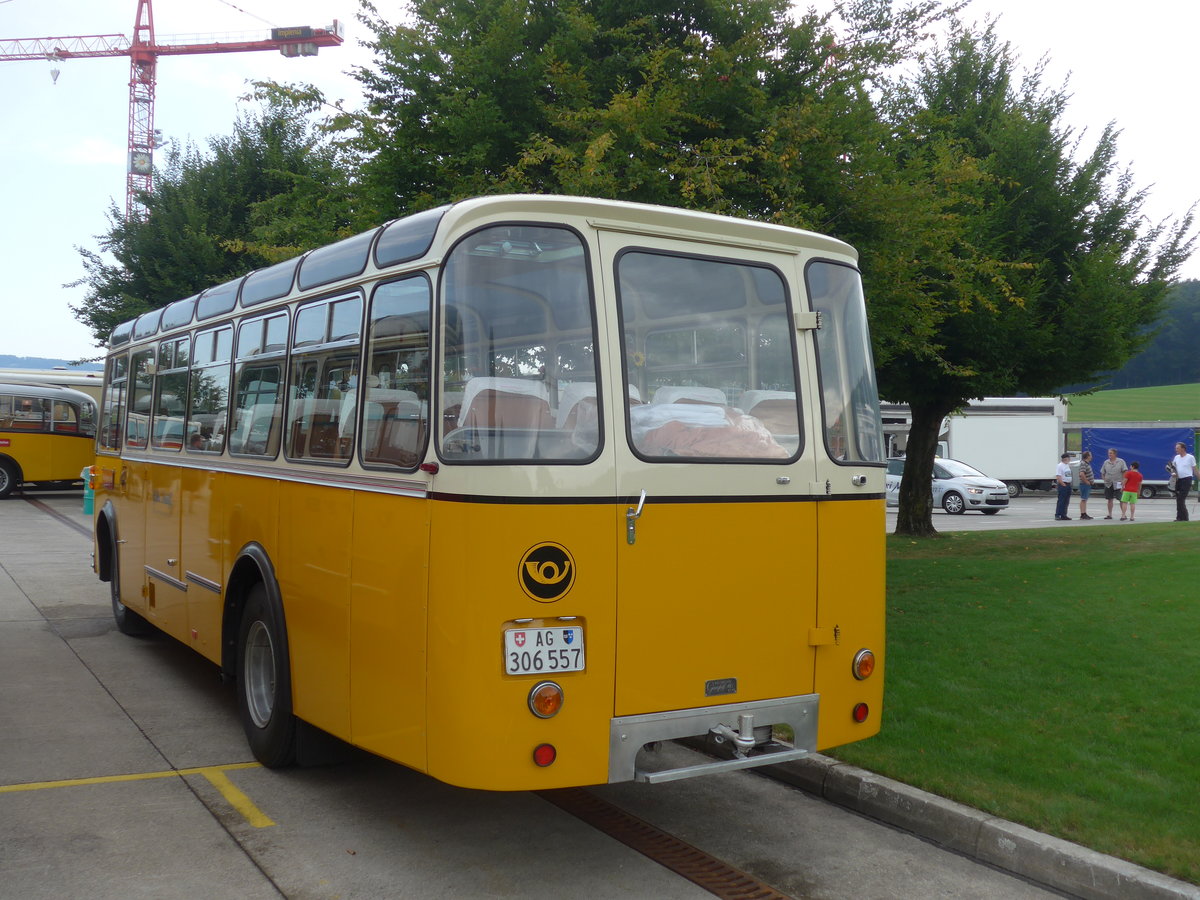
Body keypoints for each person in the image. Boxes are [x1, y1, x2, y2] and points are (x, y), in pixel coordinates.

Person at [1170, 441, 1197, 522]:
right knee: (1178, 498)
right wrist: (1173, 473)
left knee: (1181, 498)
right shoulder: (1176, 457)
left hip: (1187, 479)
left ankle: (1184, 518)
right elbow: (1173, 468)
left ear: (1183, 449)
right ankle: (1179, 517)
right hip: (1179, 480)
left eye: (1177, 448)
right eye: (1176, 448)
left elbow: (1195, 470)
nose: (1176, 450)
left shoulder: (1190, 457)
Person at [1099, 448, 1127, 520]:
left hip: (1118, 483)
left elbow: (1125, 471)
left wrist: (1123, 481)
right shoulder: (1106, 462)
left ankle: (1123, 515)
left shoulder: (1121, 461)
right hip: (1108, 483)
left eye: (1111, 453)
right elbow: (1102, 472)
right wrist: (1104, 480)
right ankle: (1109, 514)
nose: (1109, 454)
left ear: (1115, 454)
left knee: (1121, 499)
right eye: (1109, 453)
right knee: (1109, 499)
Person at [1054, 453, 1073, 520]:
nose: (1069, 459)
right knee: (1061, 500)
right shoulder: (1060, 466)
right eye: (1068, 458)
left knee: (1066, 501)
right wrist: (1062, 484)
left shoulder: (1067, 465)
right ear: (1065, 458)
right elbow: (1058, 476)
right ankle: (1058, 514)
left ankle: (1064, 514)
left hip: (1068, 484)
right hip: (1063, 484)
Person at [1077, 450, 1095, 519]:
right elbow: (1081, 473)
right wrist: (1086, 481)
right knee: (1083, 499)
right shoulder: (1083, 463)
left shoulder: (1086, 463)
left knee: (1085, 499)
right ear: (1087, 456)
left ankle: (1084, 513)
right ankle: (1082, 514)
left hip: (1086, 484)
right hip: (1084, 484)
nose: (1091, 457)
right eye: (1090, 455)